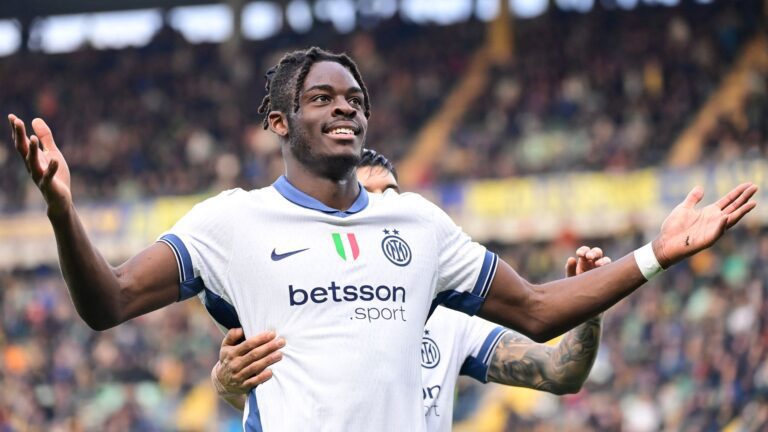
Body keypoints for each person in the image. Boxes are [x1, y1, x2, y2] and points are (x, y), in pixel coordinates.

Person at [7, 46, 756, 431]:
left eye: (356, 99)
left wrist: (656, 255)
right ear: (278, 123)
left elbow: (537, 311)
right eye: (322, 97)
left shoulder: (420, 226)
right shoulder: (229, 223)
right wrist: (62, 211)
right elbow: (107, 303)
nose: (346, 108)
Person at [210, 149, 609, 432]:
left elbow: (559, 373)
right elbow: (269, 404)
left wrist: (589, 305)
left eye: (392, 193)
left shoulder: (452, 315)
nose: (385, 206)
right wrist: (225, 383)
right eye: (369, 196)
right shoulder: (296, 303)